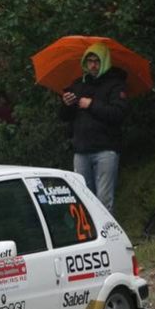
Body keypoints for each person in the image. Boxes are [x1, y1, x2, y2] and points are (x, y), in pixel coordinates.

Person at [59, 42, 128, 214]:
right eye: (89, 61)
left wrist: (91, 105)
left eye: (96, 61)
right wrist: (66, 104)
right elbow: (63, 117)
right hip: (81, 149)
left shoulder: (116, 85)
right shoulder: (78, 84)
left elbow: (118, 114)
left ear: (104, 61)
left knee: (104, 199)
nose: (93, 65)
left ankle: (108, 236)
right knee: (82, 198)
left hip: (106, 149)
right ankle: (89, 236)